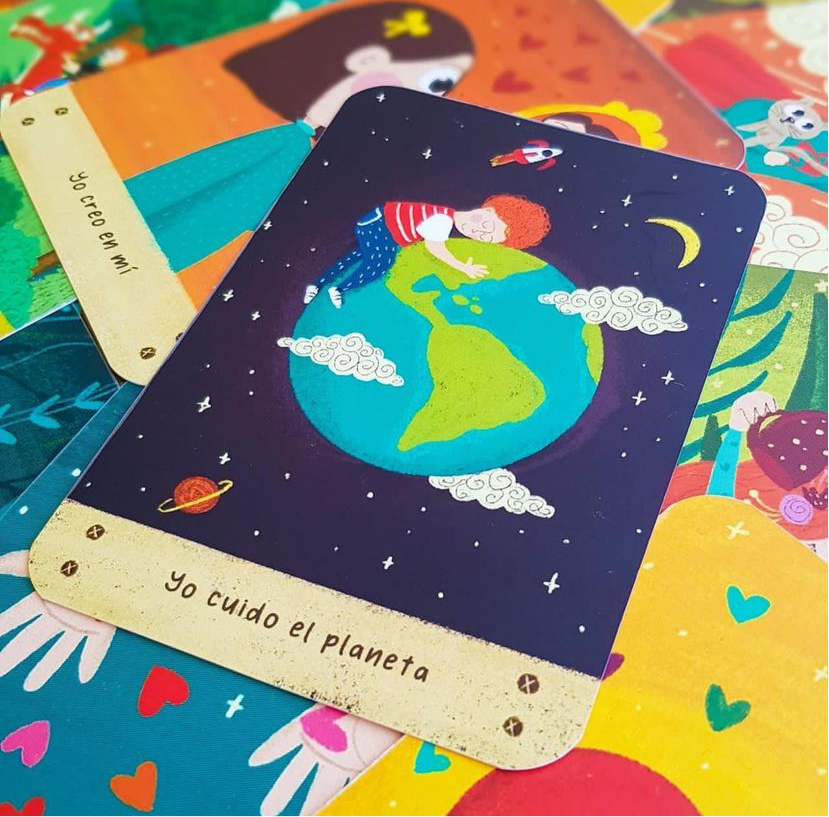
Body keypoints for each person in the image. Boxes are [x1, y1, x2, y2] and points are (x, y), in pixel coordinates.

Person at [123, 4, 475, 273]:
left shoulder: (322, 143)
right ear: (369, 57)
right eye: (436, 83)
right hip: (278, 151)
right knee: (195, 194)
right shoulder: (295, 135)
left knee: (209, 218)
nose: (431, 99)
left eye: (442, 89)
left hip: (286, 159)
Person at [304, 195, 551, 308]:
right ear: (487, 208)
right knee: (379, 264)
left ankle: (317, 285)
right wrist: (462, 267)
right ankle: (338, 289)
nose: (477, 231)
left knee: (358, 256)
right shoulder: (442, 220)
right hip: (378, 225)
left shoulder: (445, 219)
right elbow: (435, 248)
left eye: (485, 236)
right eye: (484, 223)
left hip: (382, 227)